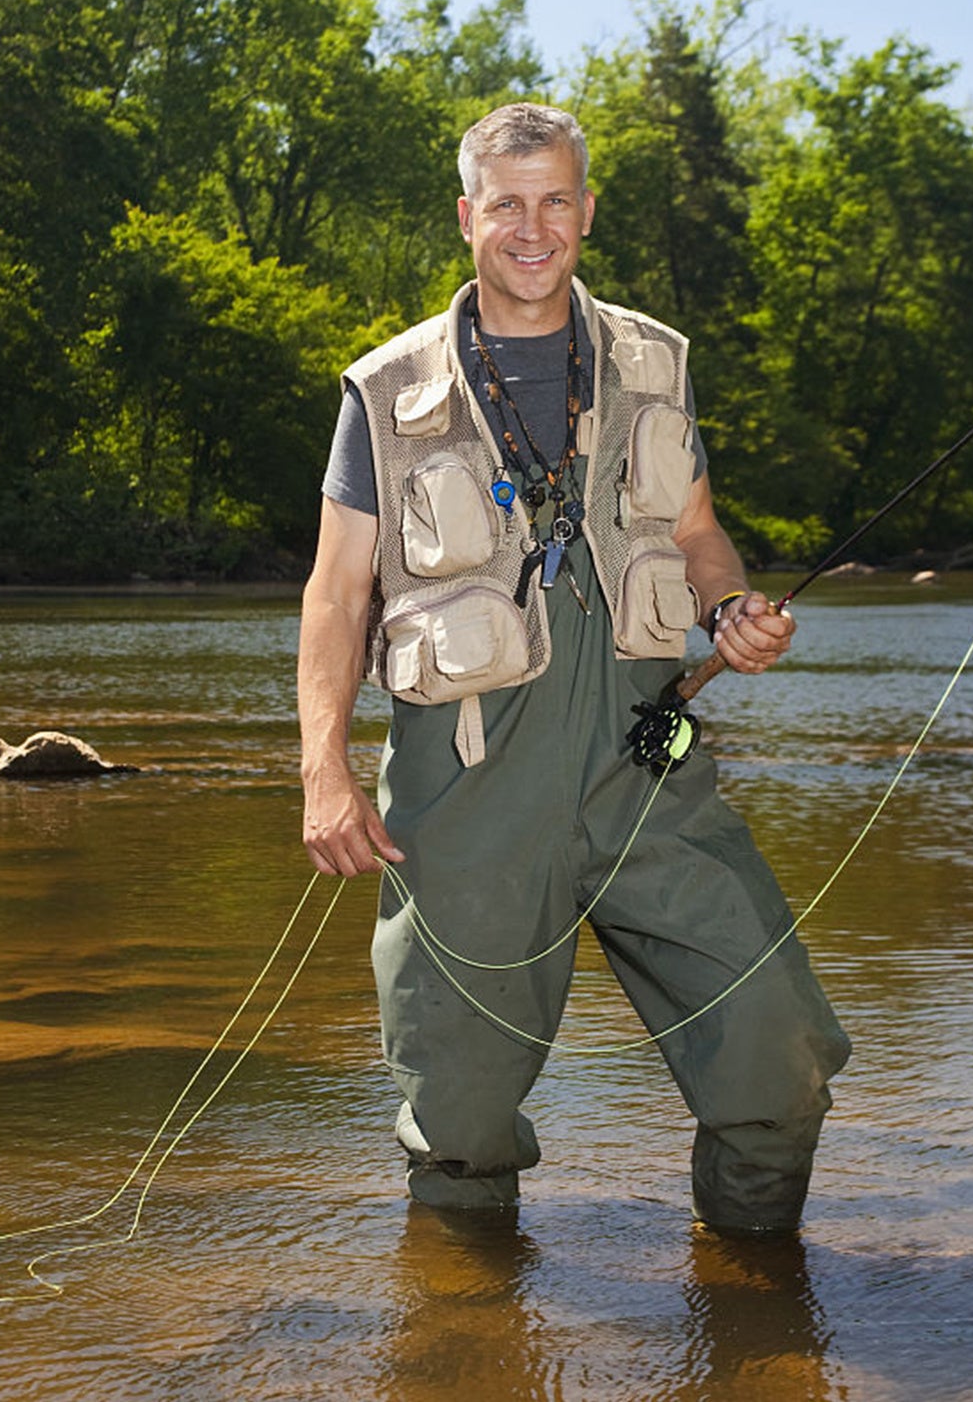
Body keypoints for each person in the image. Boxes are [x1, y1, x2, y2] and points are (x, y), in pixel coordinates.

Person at [297, 102, 849, 1233]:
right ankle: (466, 1336)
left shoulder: (654, 362)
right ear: (468, 216)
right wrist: (324, 770)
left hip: (646, 765)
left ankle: (755, 1313)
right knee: (459, 1120)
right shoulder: (387, 392)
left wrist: (731, 604)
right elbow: (336, 594)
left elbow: (696, 533)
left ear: (587, 210)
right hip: (465, 788)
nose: (533, 227)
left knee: (777, 1055)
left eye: (556, 200)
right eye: (508, 204)